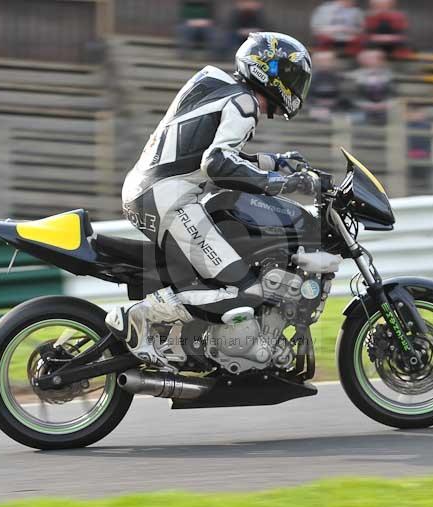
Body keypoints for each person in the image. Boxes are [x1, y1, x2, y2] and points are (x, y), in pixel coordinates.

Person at [106, 32, 313, 368]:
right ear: (269, 71)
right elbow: (216, 164)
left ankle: (188, 342)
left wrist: (274, 162)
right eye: (293, 78)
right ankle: (139, 317)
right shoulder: (244, 103)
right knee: (246, 291)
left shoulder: (226, 91)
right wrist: (278, 183)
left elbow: (216, 155)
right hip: (168, 199)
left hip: (152, 192)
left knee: (228, 281)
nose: (297, 87)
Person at [349, 48, 393, 125]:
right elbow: (352, 95)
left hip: (384, 109)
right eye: (370, 58)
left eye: (377, 58)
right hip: (361, 109)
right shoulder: (355, 76)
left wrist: (386, 104)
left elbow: (393, 94)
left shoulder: (388, 75)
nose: (373, 61)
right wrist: (367, 105)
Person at [307, 50, 344, 121]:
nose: (324, 63)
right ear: (313, 62)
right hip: (313, 109)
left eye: (328, 60)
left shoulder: (342, 78)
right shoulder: (306, 79)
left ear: (334, 62)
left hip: (339, 109)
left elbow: (347, 96)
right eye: (319, 61)